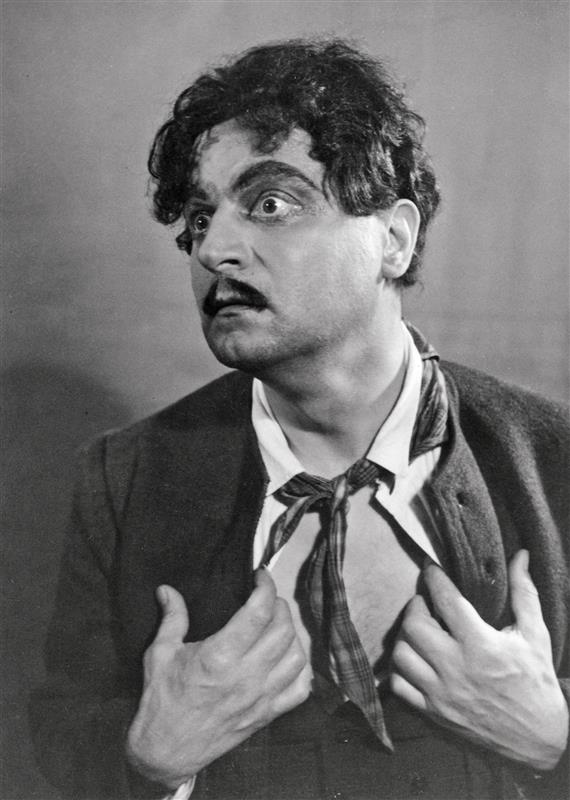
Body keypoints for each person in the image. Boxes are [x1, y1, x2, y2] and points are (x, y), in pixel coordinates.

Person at [31, 38, 569, 800]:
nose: (214, 250)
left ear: (394, 238)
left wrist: (555, 741)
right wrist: (148, 762)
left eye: (270, 204)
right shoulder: (122, 481)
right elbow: (56, 733)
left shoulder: (555, 463)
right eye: (200, 217)